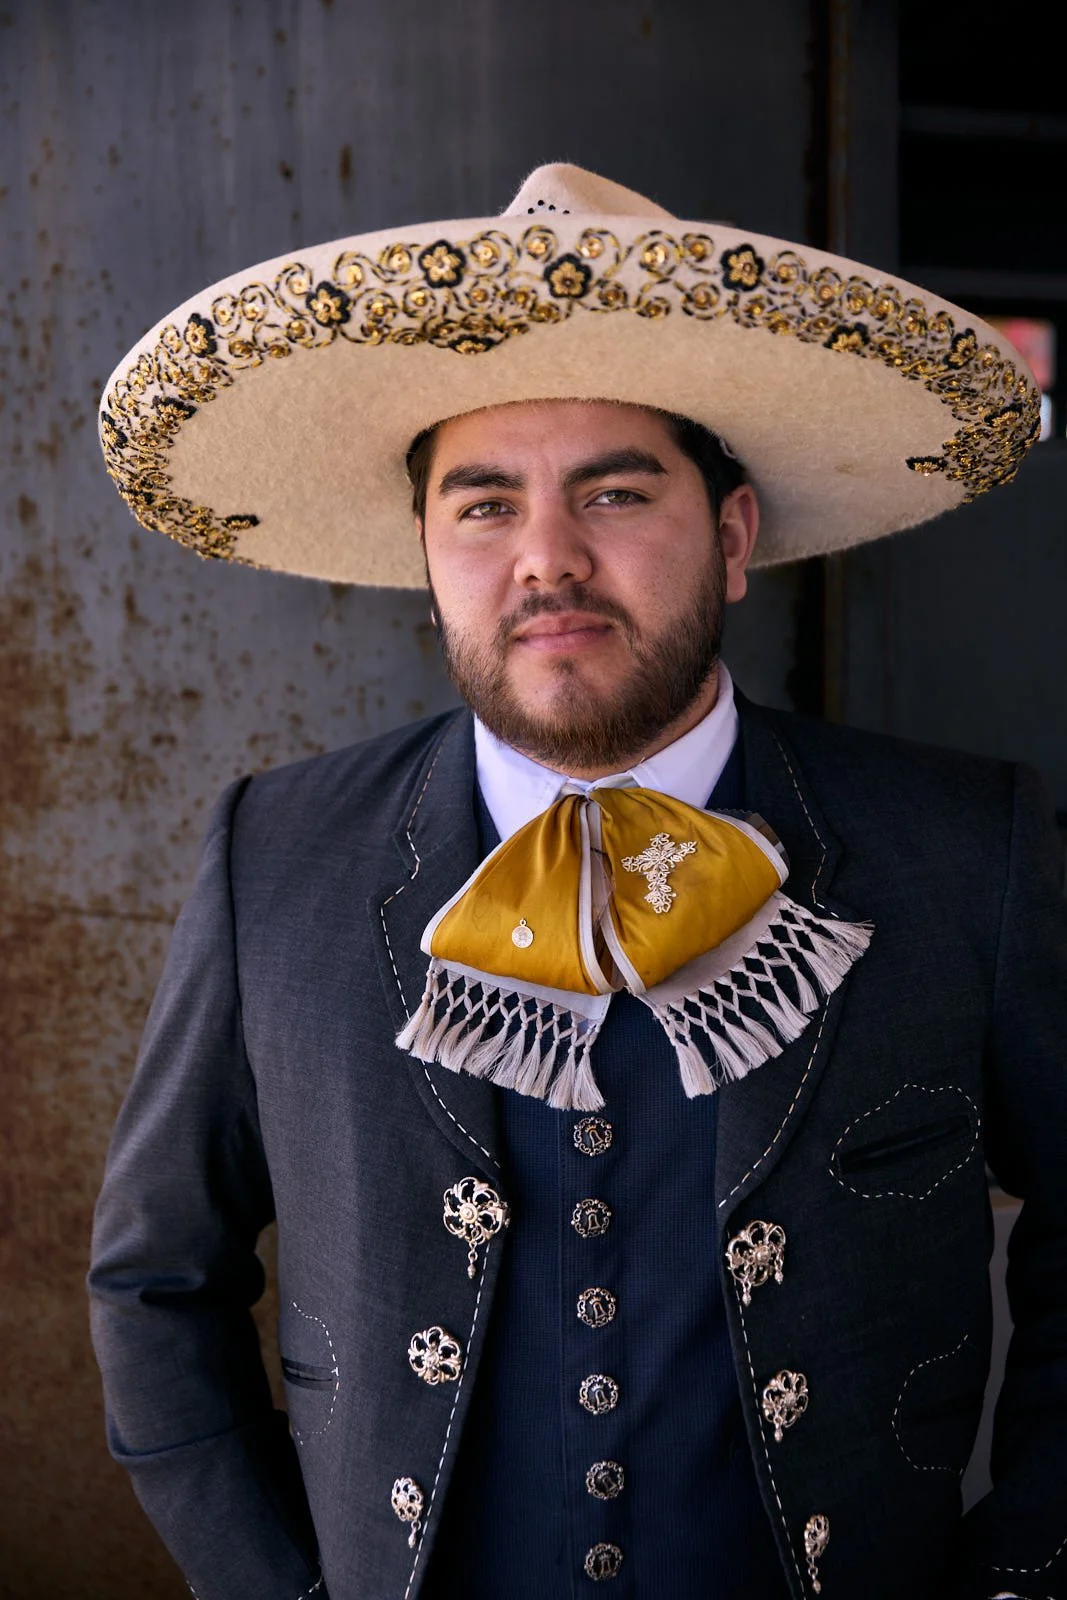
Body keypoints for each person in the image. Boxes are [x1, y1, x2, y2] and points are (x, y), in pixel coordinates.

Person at [89, 165, 1067, 1600]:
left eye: (614, 492)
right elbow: (154, 1281)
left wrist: (1022, 1573)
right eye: (482, 506)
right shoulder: (271, 853)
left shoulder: (957, 844)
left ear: (731, 538)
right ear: (425, 558)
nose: (547, 558)